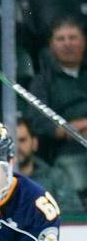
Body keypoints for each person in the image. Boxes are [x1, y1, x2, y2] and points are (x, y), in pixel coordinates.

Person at [25, 17, 86, 164]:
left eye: (73, 38)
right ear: (51, 46)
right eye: (60, 39)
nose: (67, 44)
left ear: (84, 42)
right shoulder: (42, 82)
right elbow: (39, 123)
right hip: (67, 150)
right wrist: (74, 129)